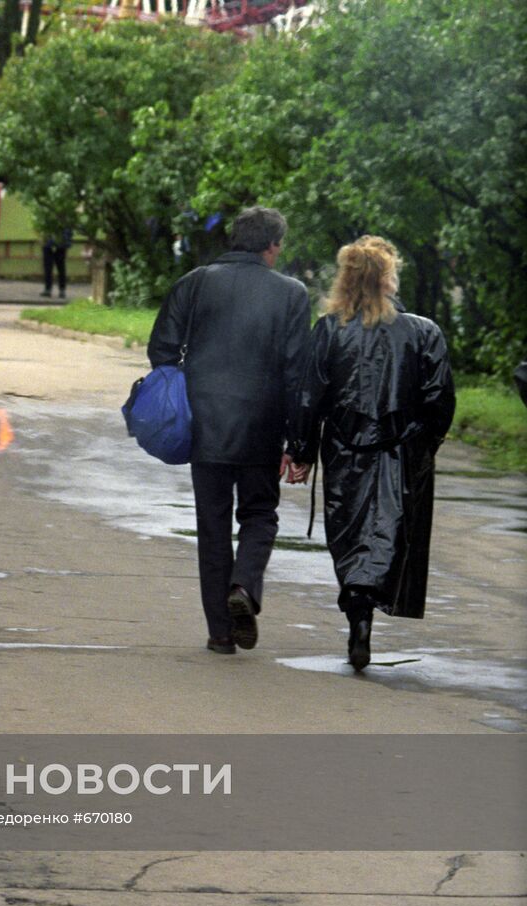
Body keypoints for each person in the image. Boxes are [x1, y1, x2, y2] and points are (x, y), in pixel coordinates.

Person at [147, 206, 312, 655]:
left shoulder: (195, 282)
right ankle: (243, 585)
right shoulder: (292, 294)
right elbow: (299, 374)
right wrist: (299, 443)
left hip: (205, 426)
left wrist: (188, 385)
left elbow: (161, 348)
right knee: (260, 514)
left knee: (213, 526)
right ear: (272, 245)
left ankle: (220, 633)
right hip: (262, 426)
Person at [286, 236, 455, 671]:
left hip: (345, 450)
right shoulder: (423, 332)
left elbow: (309, 394)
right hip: (399, 452)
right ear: (387, 278)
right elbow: (439, 401)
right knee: (388, 534)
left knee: (349, 536)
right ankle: (363, 616)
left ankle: (358, 614)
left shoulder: (328, 330)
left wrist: (301, 449)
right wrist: (422, 445)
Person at [41, 230, 72, 300]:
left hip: (60, 246)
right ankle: (48, 289)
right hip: (48, 246)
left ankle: (62, 290)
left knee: (61, 269)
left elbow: (68, 231)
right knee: (48, 269)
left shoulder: (63, 220)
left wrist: (67, 243)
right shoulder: (47, 219)